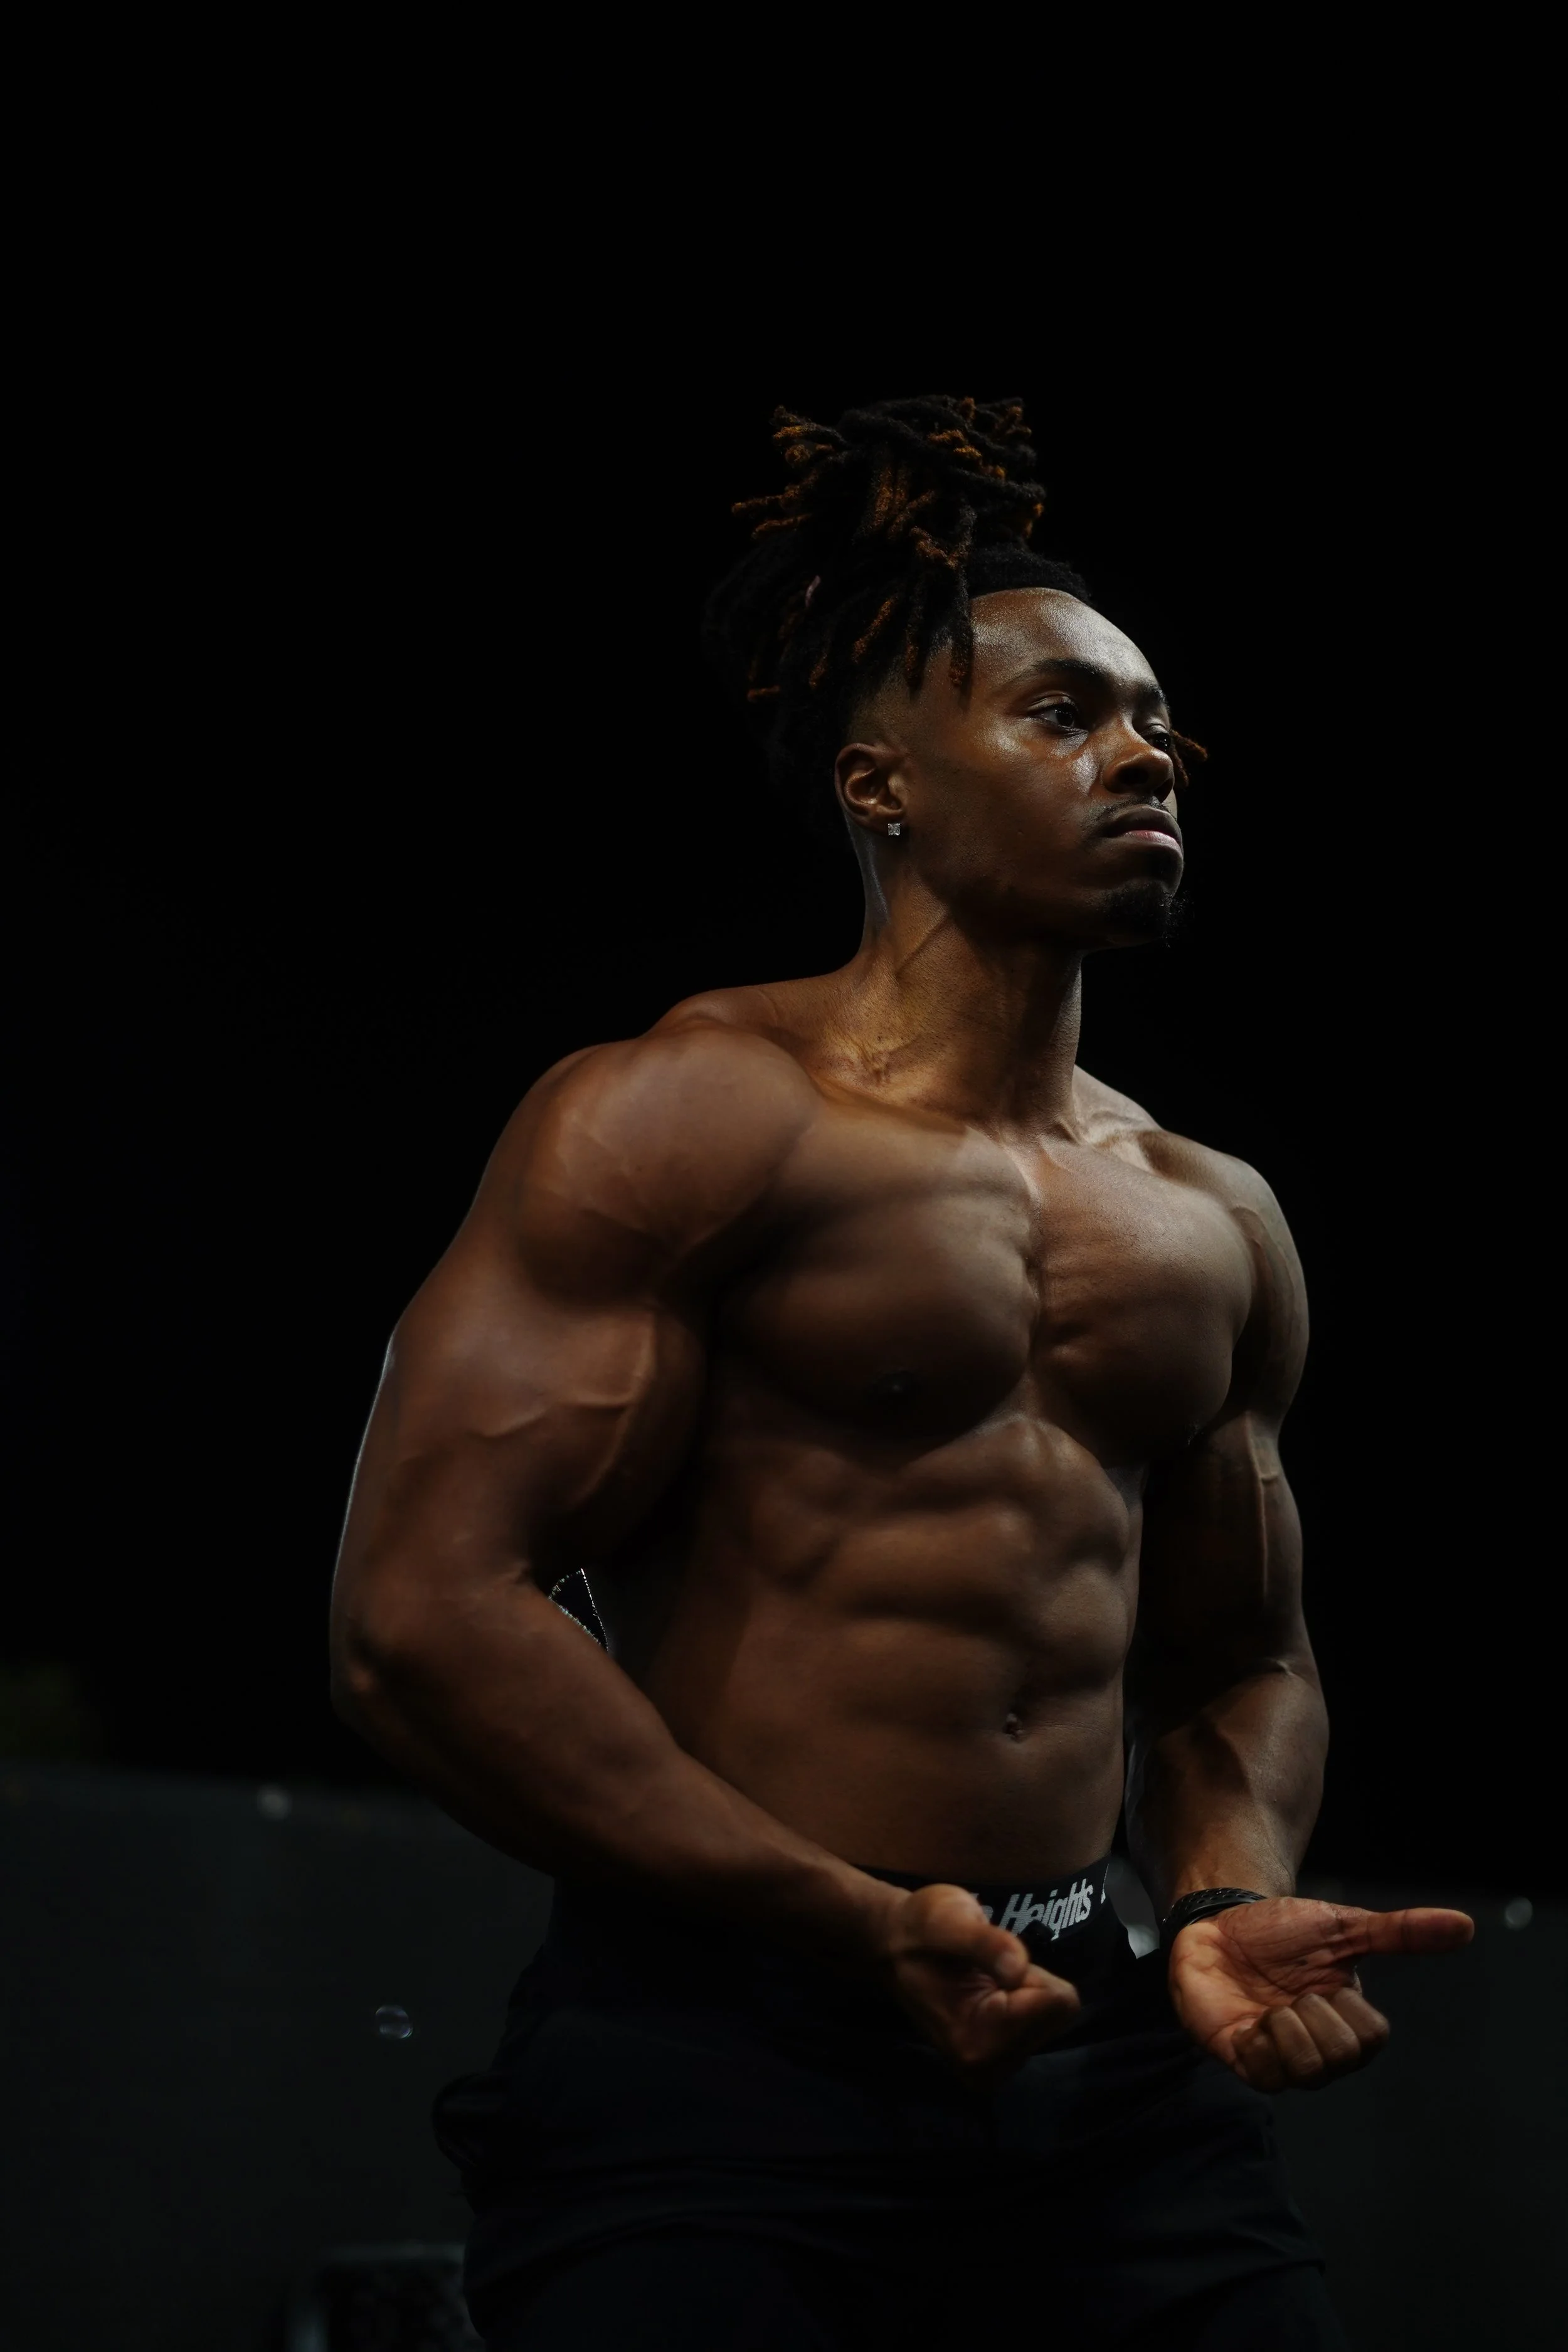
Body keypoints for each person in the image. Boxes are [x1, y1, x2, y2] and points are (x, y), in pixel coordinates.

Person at [329, 395, 1471, 2348]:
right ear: (880, 784)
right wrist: (851, 1920)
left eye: (1156, 723)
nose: (1144, 751)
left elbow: (1238, 1658)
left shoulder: (1212, 1215)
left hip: (1099, 2057)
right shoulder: (684, 1117)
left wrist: (1211, 1900)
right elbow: (419, 1615)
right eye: (1064, 714)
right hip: (720, 2049)